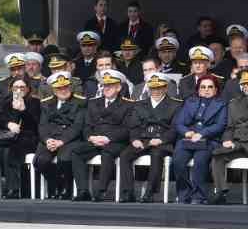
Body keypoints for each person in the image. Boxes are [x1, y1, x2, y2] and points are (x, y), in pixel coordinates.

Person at [120, 72, 184, 202]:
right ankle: (128, 192)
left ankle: (150, 192)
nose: (155, 91)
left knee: (156, 154)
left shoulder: (175, 105)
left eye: (159, 87)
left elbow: (175, 127)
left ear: (165, 88)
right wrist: (135, 139)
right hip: (143, 139)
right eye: (153, 88)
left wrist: (162, 139)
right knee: (125, 155)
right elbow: (134, 125)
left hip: (162, 141)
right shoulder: (140, 104)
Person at [74, 71, 135, 201]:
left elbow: (127, 129)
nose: (106, 88)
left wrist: (108, 138)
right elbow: (87, 126)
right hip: (95, 140)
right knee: (76, 152)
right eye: (104, 85)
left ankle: (101, 191)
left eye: (110, 85)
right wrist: (91, 137)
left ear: (119, 87)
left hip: (116, 142)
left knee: (107, 153)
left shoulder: (128, 104)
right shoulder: (93, 103)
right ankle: (83, 190)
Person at [172, 73, 228, 204]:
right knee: (178, 160)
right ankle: (184, 194)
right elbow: (179, 123)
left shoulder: (221, 104)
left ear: (215, 89)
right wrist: (186, 132)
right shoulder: (190, 102)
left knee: (200, 160)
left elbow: (220, 125)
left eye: (210, 87)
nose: (206, 90)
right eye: (203, 87)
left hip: (209, 140)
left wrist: (202, 133)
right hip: (188, 139)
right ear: (198, 89)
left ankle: (199, 196)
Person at [33, 72, 86, 200]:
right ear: (54, 90)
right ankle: (56, 184)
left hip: (69, 140)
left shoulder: (80, 102)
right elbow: (42, 125)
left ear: (70, 87)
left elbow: (77, 127)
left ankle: (66, 188)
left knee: (64, 159)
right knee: (41, 161)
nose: (63, 90)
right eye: (59, 88)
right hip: (50, 140)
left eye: (66, 87)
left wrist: (61, 141)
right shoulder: (47, 103)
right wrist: (47, 140)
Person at [0, 78, 39, 199]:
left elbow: (35, 124)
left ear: (28, 89)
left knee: (10, 151)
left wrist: (23, 110)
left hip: (27, 137)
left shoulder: (34, 102)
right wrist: (8, 124)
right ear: (11, 89)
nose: (19, 90)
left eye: (22, 87)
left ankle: (13, 189)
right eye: (16, 87)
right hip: (7, 136)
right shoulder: (6, 102)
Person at [208, 69, 248, 204]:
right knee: (217, 155)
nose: (247, 87)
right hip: (237, 143)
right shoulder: (233, 104)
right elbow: (229, 127)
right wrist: (227, 140)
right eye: (245, 84)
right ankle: (221, 191)